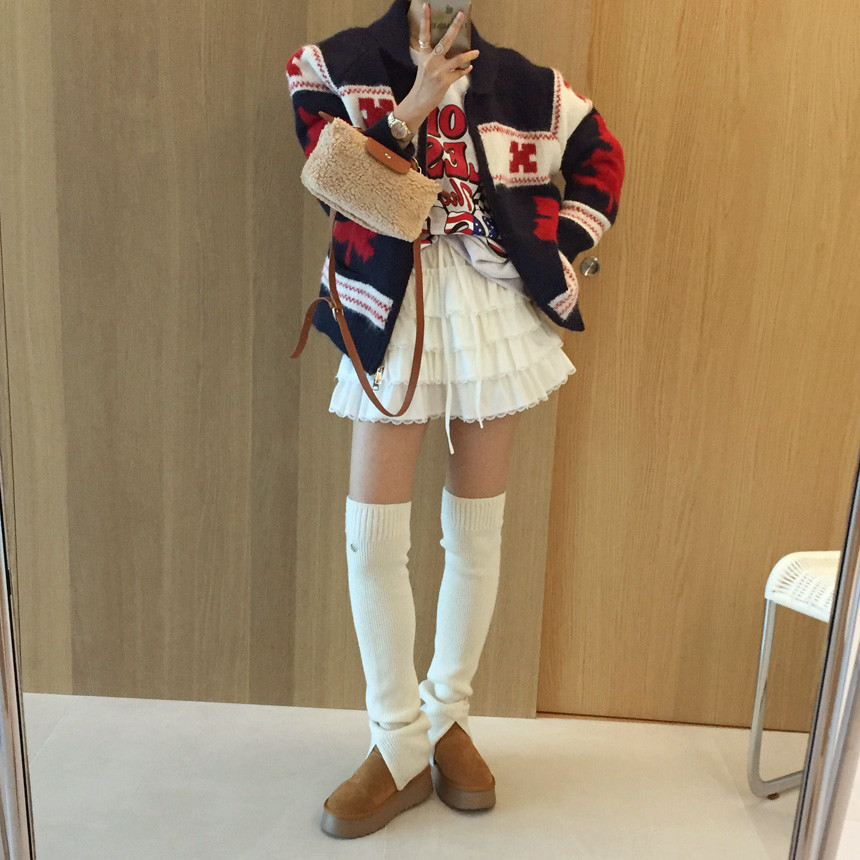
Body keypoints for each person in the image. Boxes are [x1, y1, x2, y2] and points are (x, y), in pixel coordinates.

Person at [287, 0, 624, 839]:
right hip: (390, 309)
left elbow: (601, 155)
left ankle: (446, 717)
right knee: (372, 536)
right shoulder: (332, 65)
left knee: (476, 530)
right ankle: (396, 737)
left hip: (490, 310)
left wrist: (557, 247)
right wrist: (411, 106)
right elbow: (331, 177)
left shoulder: (526, 84)